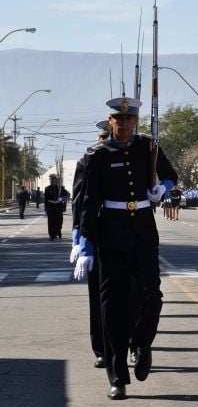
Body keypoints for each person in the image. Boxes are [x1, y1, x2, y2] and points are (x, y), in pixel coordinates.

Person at [73, 96, 178, 400]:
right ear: (111, 122)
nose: (123, 124)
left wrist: (163, 189)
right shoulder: (98, 155)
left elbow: (171, 175)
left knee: (152, 296)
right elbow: (89, 202)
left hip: (144, 233)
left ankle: (143, 344)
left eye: (129, 119)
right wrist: (85, 243)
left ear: (136, 121)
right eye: (118, 120)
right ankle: (117, 377)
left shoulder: (148, 147)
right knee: (112, 308)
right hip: (111, 235)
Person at [70, 120, 111, 369]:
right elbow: (79, 200)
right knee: (97, 296)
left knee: (130, 294)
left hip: (124, 233)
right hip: (94, 232)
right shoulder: (88, 160)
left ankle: (128, 342)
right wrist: (78, 238)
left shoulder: (130, 157)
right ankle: (101, 348)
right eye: (103, 137)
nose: (106, 141)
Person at [44, 174, 68, 240]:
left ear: (56, 180)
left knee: (59, 222)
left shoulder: (60, 188)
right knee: (51, 222)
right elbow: (46, 200)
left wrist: (62, 199)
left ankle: (58, 231)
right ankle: (51, 235)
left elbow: (66, 195)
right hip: (51, 208)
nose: (51, 181)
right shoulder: (47, 189)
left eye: (53, 179)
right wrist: (45, 210)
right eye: (50, 179)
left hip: (58, 208)